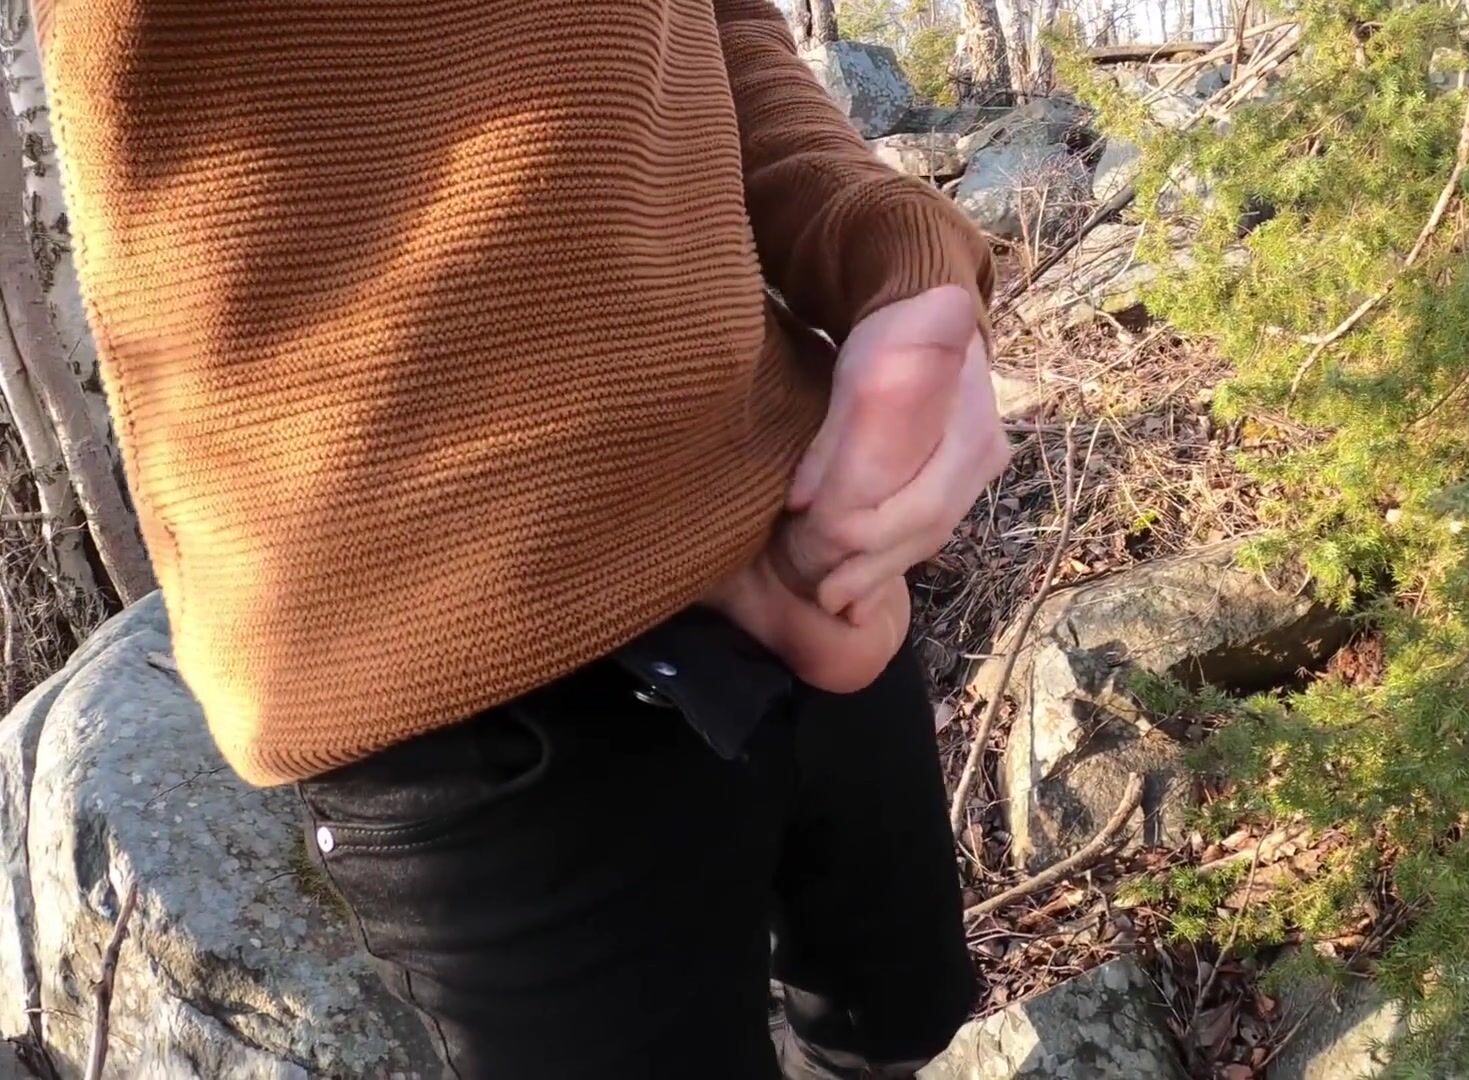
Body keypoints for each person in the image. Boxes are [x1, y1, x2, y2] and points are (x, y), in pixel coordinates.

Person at [35, 0, 1008, 1076]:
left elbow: (714, 24)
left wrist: (880, 239)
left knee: (899, 1024)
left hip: (787, 505)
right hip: (450, 655)